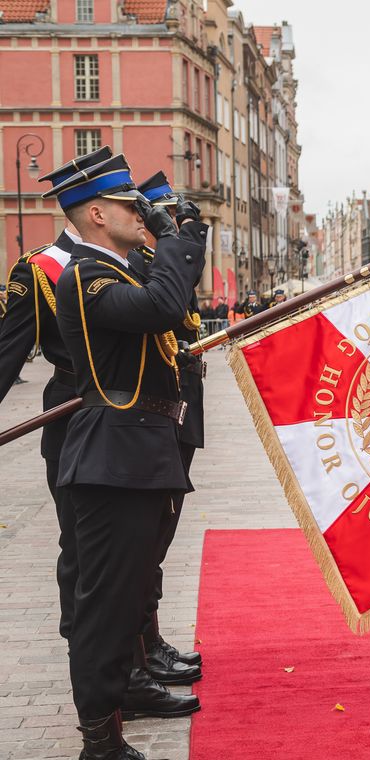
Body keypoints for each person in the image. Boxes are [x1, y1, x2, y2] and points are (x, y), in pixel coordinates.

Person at [46, 153, 208, 758]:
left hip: (140, 453)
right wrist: (175, 238)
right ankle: (100, 743)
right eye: (128, 207)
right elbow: (163, 307)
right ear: (95, 214)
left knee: (128, 599)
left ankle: (114, 719)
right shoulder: (86, 276)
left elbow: (172, 306)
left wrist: (173, 240)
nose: (141, 214)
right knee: (106, 607)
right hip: (114, 456)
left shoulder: (121, 268)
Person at [0, 148, 113, 652]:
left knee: (132, 548)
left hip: (134, 419)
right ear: (93, 208)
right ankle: (87, 655)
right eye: (123, 201)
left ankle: (136, 652)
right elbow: (8, 355)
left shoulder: (129, 258)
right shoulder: (40, 268)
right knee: (83, 547)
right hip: (73, 413)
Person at [132, 171, 206, 691]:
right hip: (151, 413)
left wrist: (187, 238)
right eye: (171, 218)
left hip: (178, 409)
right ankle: (140, 652)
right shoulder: (138, 268)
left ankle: (149, 642)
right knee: (144, 543)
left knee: (160, 534)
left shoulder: (160, 264)